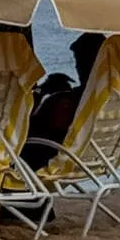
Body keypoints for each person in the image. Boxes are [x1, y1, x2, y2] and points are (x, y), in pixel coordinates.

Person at [21, 31, 105, 169]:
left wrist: (42, 92)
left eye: (79, 61)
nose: (77, 67)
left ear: (91, 64)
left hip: (45, 159)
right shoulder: (107, 96)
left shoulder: (65, 104)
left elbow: (25, 127)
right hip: (94, 158)